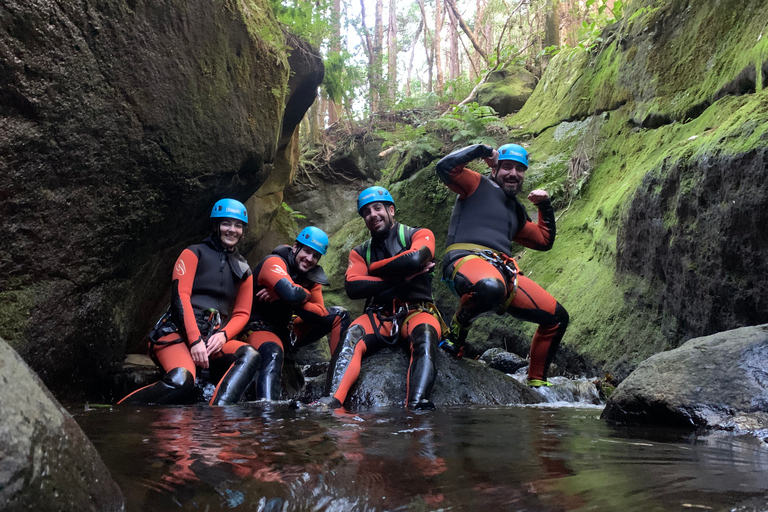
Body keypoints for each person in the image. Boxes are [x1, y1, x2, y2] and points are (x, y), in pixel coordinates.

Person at [435, 143, 569, 387]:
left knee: (557, 318)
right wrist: (482, 150)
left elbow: (543, 241)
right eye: (507, 167)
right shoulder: (475, 184)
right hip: (465, 261)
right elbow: (445, 167)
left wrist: (545, 206)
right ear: (495, 168)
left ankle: (538, 383)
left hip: (502, 271)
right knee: (490, 287)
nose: (513, 173)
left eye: (519, 169)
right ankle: (457, 330)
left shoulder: (515, 211)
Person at [119, 199, 259, 405]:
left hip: (212, 340)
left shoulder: (244, 269)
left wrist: (223, 335)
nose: (232, 230)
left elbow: (242, 313)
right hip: (175, 334)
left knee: (250, 355)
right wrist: (194, 341)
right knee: (182, 382)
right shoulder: (193, 253)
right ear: (215, 226)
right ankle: (122, 411)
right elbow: (180, 297)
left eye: (238, 225)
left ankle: (218, 413)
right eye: (226, 223)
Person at [317, 186, 442, 410]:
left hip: (417, 310)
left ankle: (417, 403)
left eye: (377, 208)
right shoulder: (359, 252)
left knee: (425, 335)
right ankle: (331, 401)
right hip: (380, 315)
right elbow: (353, 287)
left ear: (391, 210)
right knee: (352, 335)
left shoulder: (419, 234)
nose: (372, 215)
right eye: (366, 212)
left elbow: (415, 258)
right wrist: (402, 279)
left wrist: (374, 269)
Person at [241, 226, 350, 400]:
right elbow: (291, 293)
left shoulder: (311, 278)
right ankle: (267, 412)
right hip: (260, 330)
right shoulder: (273, 262)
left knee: (340, 315)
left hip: (288, 331)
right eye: (306, 251)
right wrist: (295, 294)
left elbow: (319, 315)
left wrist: (287, 295)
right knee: (273, 352)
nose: (309, 259)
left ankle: (335, 381)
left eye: (315, 255)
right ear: (295, 247)